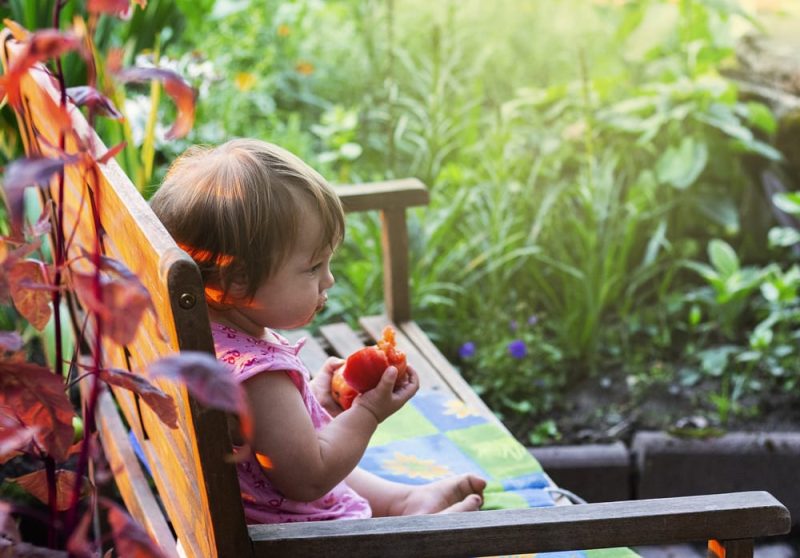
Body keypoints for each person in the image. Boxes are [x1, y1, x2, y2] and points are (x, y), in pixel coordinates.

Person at [150, 138, 485, 524]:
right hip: (296, 539)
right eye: (313, 268)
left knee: (325, 448)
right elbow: (310, 478)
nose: (328, 280)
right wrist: (369, 413)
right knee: (327, 458)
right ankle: (415, 525)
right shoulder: (261, 379)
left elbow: (270, 438)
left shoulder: (210, 334)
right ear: (237, 280)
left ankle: (401, 501)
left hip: (242, 506)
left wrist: (317, 405)